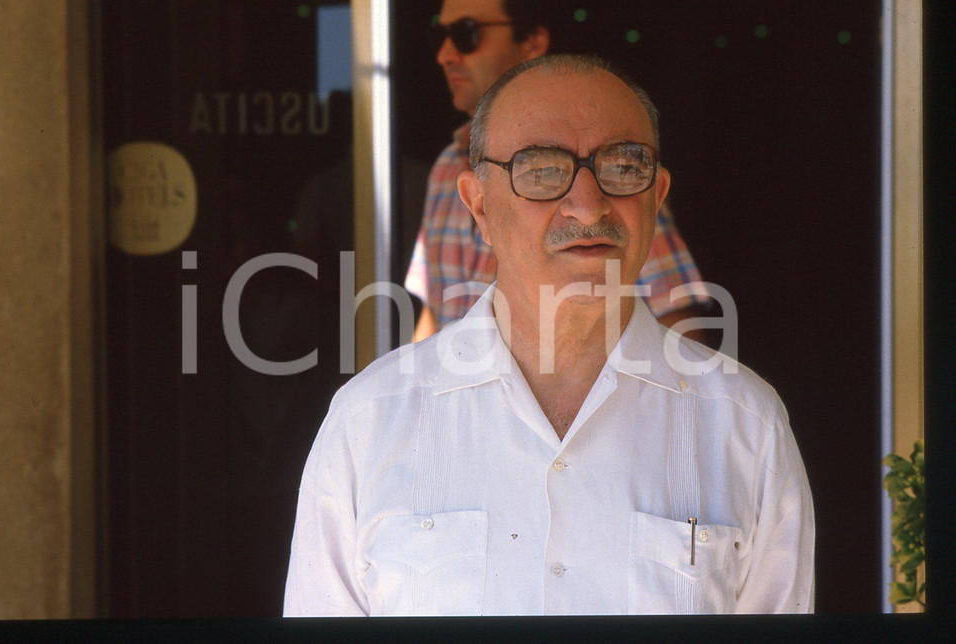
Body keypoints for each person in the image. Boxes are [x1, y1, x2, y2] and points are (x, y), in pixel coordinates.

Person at [283, 54, 815, 616]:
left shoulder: (745, 426)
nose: (587, 206)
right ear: (479, 206)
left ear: (656, 197)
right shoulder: (369, 421)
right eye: (541, 169)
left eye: (624, 165)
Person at [406, 0, 709, 342]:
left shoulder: (611, 177)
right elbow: (434, 315)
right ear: (475, 199)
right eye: (439, 35)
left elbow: (676, 324)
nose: (445, 54)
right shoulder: (447, 168)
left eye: (466, 35)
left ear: (532, 43)